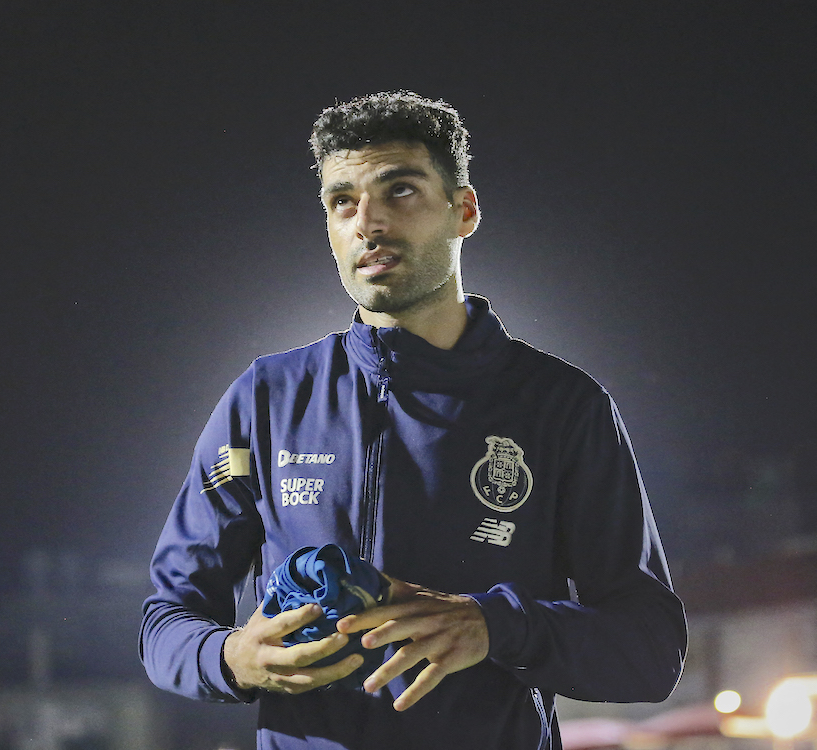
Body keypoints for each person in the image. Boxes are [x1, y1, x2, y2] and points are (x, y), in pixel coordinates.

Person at [140, 91, 687, 749]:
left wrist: (495, 627)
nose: (368, 222)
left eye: (399, 191)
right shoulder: (266, 399)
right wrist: (230, 658)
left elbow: (650, 648)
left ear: (464, 210)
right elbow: (166, 620)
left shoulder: (563, 405)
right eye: (343, 202)